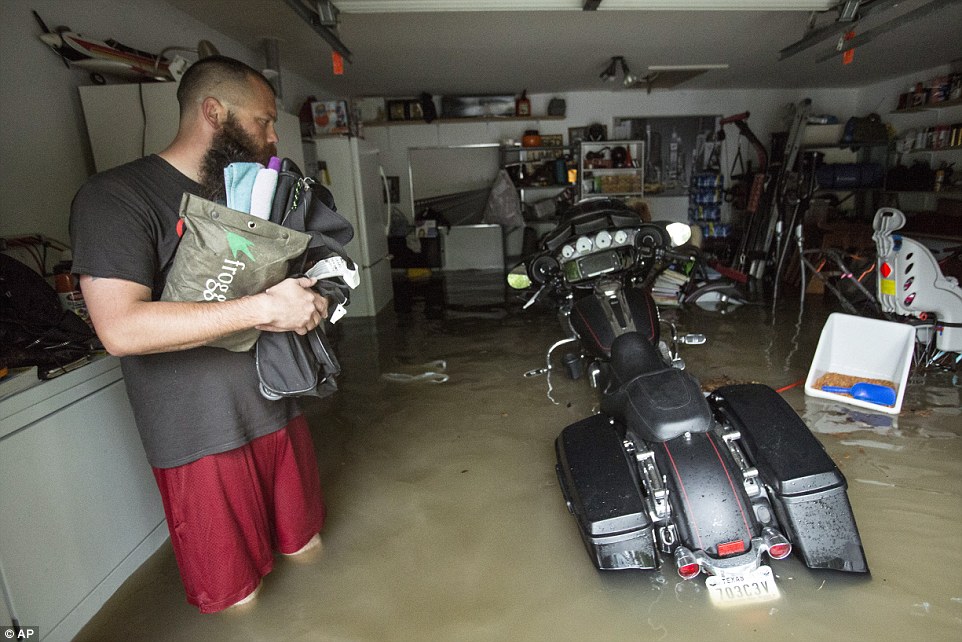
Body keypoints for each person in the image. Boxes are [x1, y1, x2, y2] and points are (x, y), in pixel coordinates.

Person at [69, 56, 327, 614]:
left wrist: (315, 296)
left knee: (311, 552)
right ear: (214, 111)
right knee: (242, 599)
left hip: (276, 408)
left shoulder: (251, 193)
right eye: (262, 121)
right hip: (198, 437)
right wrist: (263, 306)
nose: (273, 136)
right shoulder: (115, 197)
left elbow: (299, 278)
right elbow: (119, 328)